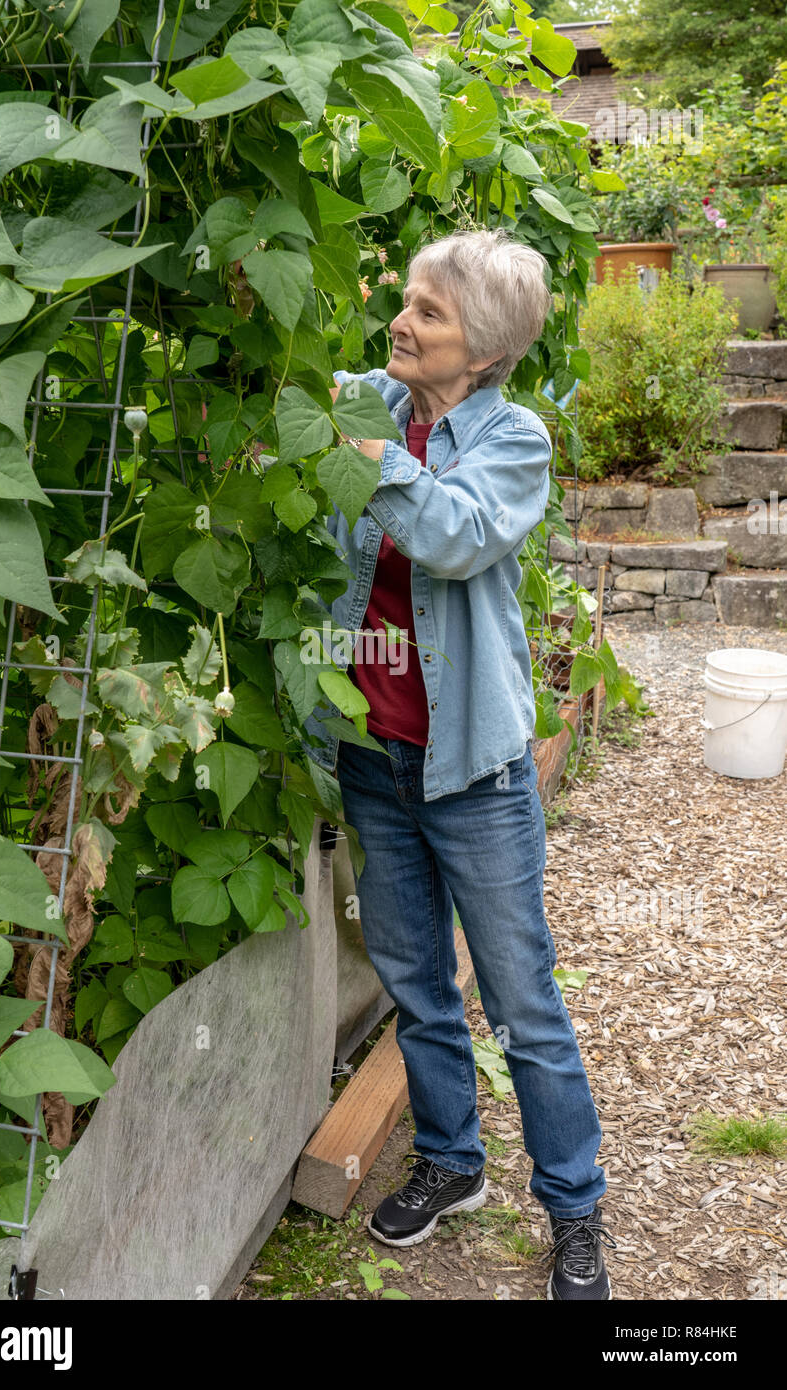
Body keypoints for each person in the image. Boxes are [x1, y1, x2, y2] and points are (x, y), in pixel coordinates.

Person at [301, 227, 616, 1301]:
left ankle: (573, 1209)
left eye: (428, 314)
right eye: (405, 301)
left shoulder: (512, 438)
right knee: (414, 984)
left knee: (523, 999)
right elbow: (290, 391)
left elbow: (451, 535)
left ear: (479, 351)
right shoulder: (373, 404)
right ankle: (450, 1161)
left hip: (472, 771)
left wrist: (360, 450)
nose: (401, 321)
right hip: (372, 755)